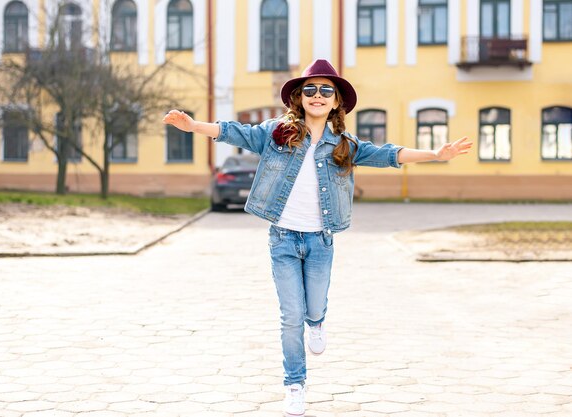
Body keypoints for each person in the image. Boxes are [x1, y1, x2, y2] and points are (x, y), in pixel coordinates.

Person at [163, 59, 472, 417]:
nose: (318, 95)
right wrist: (192, 126)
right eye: (310, 89)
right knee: (290, 314)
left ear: (337, 101)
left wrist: (435, 154)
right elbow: (233, 131)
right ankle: (295, 384)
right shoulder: (277, 134)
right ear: (298, 97)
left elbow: (390, 154)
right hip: (282, 238)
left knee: (312, 309)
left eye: (327, 90)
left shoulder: (344, 145)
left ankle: (318, 322)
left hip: (320, 241)